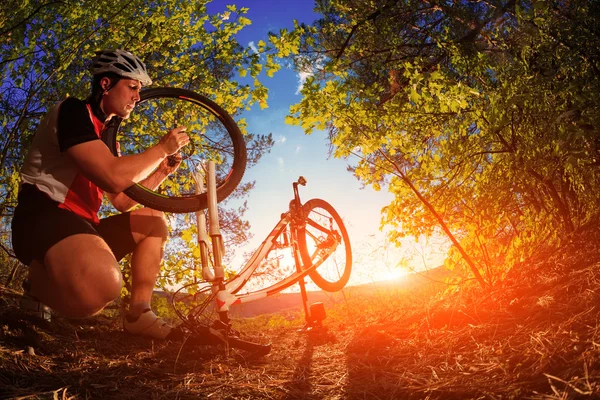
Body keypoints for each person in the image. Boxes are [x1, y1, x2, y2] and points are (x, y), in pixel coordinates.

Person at [11, 49, 189, 340]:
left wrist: (161, 172)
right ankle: (37, 285)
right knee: (103, 287)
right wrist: (161, 149)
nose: (137, 97)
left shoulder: (106, 138)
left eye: (139, 90)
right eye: (132, 87)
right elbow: (111, 174)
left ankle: (139, 315)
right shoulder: (73, 112)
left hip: (81, 226)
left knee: (154, 220)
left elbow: (122, 201)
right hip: (42, 216)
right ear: (106, 84)